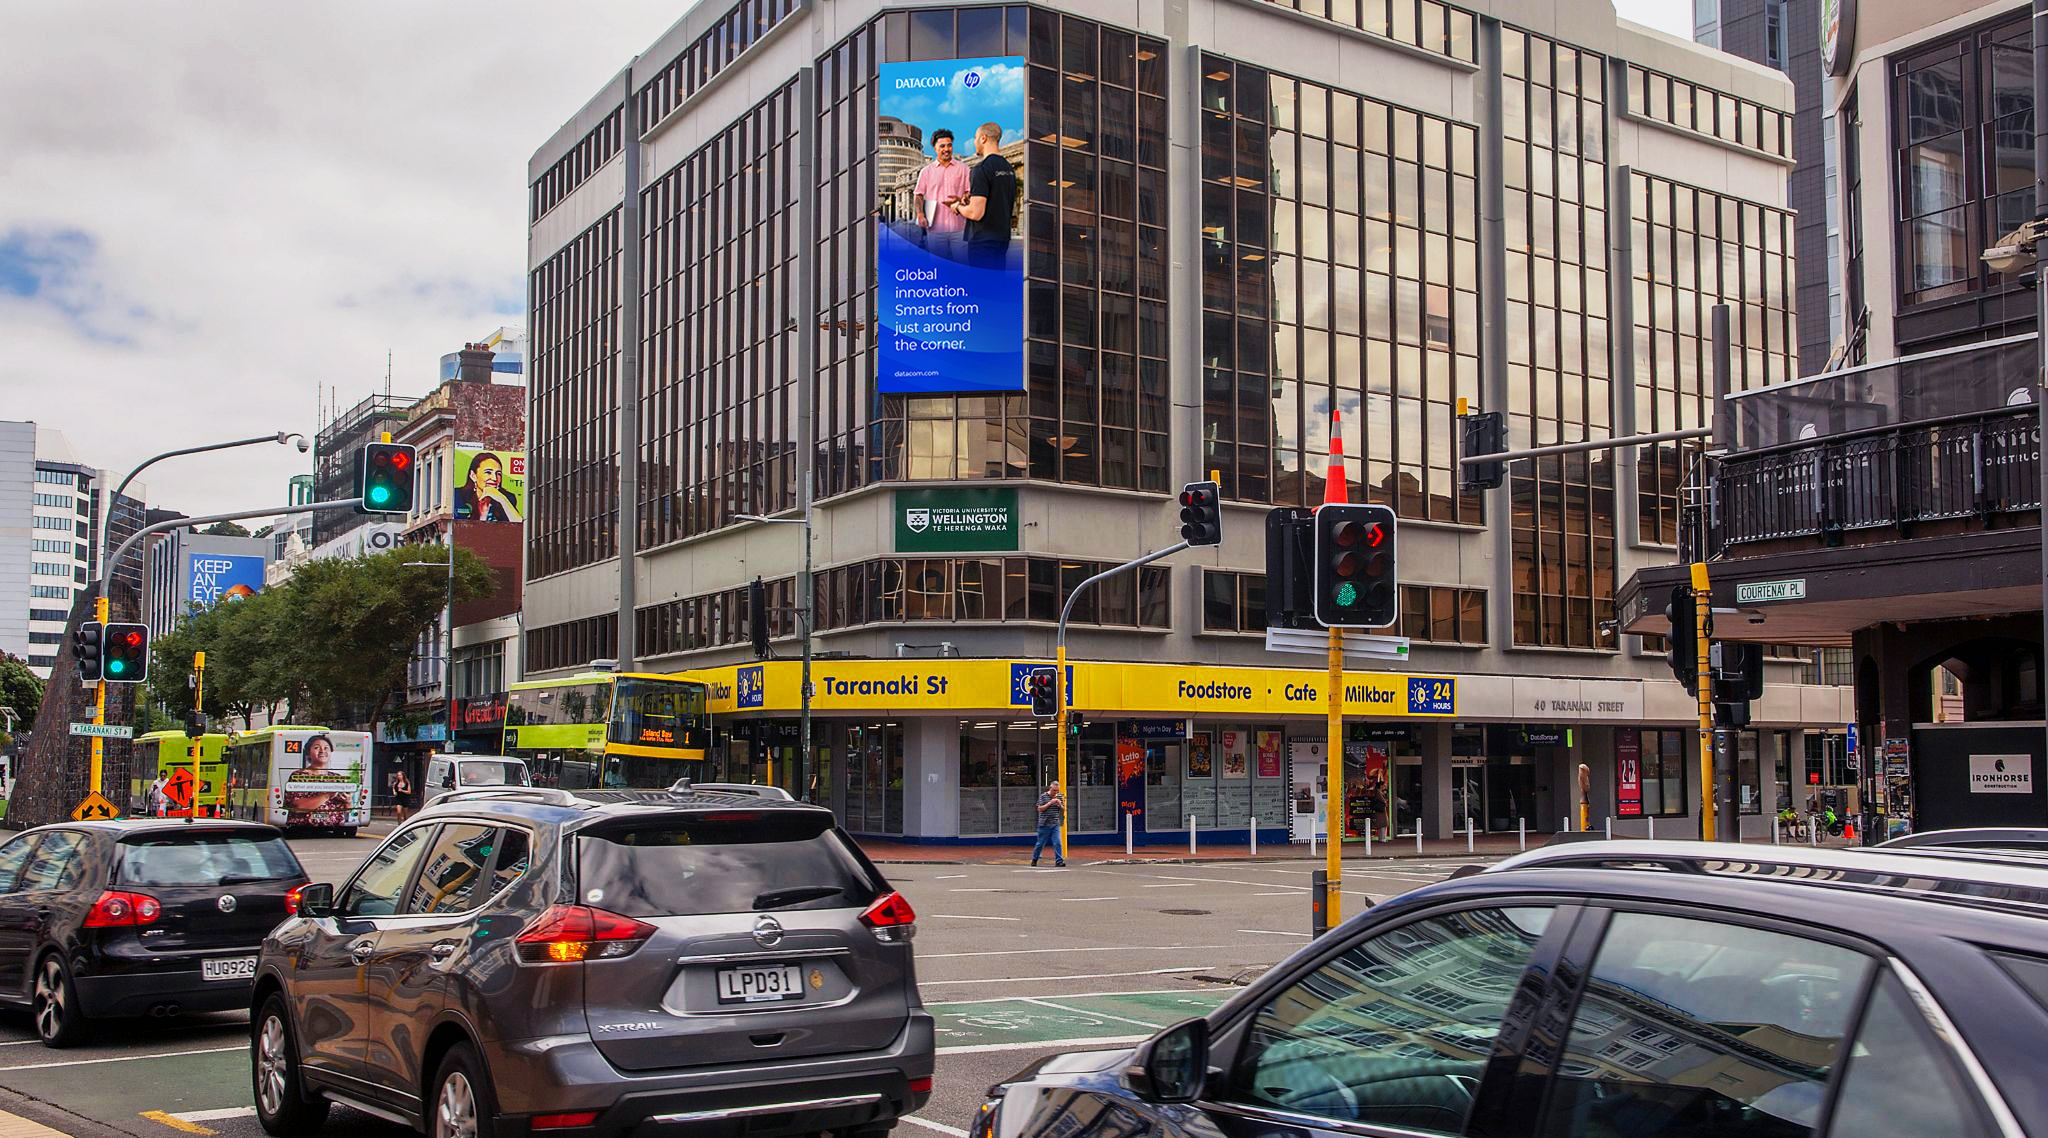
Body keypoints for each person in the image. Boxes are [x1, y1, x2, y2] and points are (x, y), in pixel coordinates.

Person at [946, 121, 1018, 271]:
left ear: (983, 138)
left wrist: (957, 207)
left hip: (982, 242)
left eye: (975, 138)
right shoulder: (1008, 169)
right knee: (997, 283)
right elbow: (996, 200)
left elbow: (976, 213)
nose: (974, 142)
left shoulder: (981, 169)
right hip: (1002, 240)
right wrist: (970, 201)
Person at [911, 128, 972, 261]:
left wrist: (963, 199)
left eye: (949, 145)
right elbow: (918, 194)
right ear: (935, 148)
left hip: (960, 228)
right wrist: (920, 215)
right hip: (935, 229)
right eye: (942, 146)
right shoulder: (926, 172)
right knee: (938, 265)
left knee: (962, 265)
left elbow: (969, 192)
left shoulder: (964, 169)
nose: (946, 149)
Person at [454, 452, 522, 523]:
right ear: (473, 475)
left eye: (498, 473)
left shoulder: (508, 498)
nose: (494, 478)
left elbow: (521, 526)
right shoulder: (457, 496)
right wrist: (482, 516)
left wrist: (501, 498)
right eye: (488, 472)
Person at [1031, 780, 1067, 867]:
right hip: (1044, 824)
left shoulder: (1059, 796)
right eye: (1054, 790)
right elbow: (1040, 809)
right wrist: (1050, 803)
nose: (1056, 792)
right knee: (1040, 844)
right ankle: (1035, 859)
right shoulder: (1043, 796)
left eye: (1057, 790)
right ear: (1050, 788)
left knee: (1057, 842)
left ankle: (1059, 861)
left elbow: (1063, 810)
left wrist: (1060, 805)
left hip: (1055, 824)